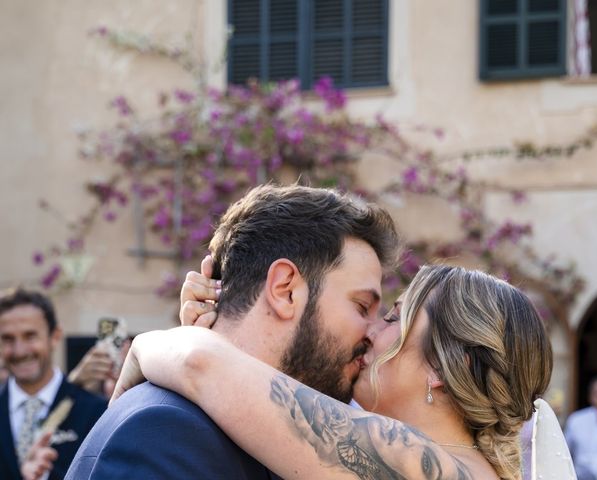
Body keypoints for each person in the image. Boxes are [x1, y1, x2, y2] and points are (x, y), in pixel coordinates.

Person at [112, 263, 576, 479]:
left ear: (443, 365)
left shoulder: (425, 469)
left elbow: (200, 364)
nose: (372, 332)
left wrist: (144, 349)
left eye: (395, 319)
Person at [65, 184, 399, 479]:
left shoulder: (268, 435)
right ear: (286, 290)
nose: (373, 333)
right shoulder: (166, 431)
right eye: (361, 307)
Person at [0, 288, 107, 480]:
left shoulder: (97, 412)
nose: (19, 351)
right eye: (8, 339)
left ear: (55, 336)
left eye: (30, 336)